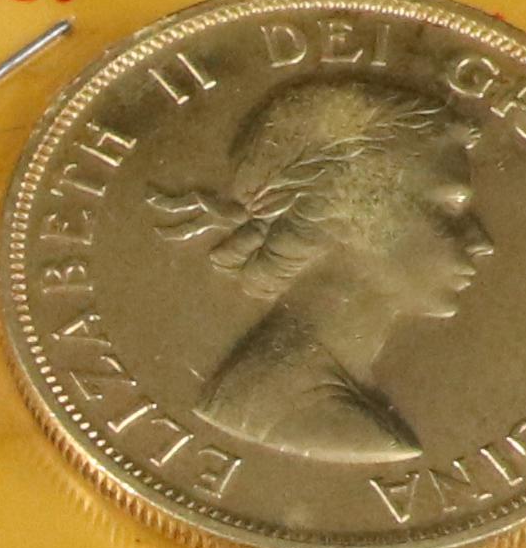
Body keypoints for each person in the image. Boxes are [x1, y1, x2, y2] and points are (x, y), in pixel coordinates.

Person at [152, 75, 496, 465]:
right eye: (449, 207)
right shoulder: (335, 425)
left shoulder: (279, 391)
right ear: (350, 209)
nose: (482, 241)